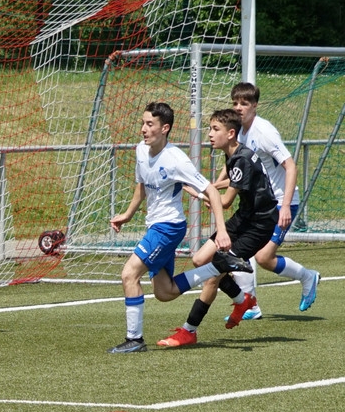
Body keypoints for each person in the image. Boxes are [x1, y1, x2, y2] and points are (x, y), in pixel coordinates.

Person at [107, 102, 250, 354]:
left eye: (149, 124)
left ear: (165, 128)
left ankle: (134, 339)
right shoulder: (141, 150)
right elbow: (141, 185)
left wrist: (221, 231)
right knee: (165, 292)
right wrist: (127, 215)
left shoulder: (176, 160)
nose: (143, 129)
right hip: (156, 226)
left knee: (129, 274)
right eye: (143, 123)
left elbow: (211, 192)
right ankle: (218, 266)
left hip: (168, 227)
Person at [157, 108, 281, 347]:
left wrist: (198, 193)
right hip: (244, 218)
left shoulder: (241, 158)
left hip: (259, 225)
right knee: (200, 260)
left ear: (231, 133)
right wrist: (209, 188)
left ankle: (189, 330)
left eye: (215, 129)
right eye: (210, 129)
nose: (210, 134)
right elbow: (233, 182)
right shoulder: (235, 154)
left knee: (213, 274)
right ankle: (242, 299)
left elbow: (224, 202)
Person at [225, 82, 320, 319]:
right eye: (235, 103)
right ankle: (251, 305)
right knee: (239, 251)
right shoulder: (239, 132)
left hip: (280, 202)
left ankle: (308, 277)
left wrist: (285, 205)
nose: (238, 108)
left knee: (263, 257)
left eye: (244, 103)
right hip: (259, 205)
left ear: (255, 106)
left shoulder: (264, 132)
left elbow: (291, 166)